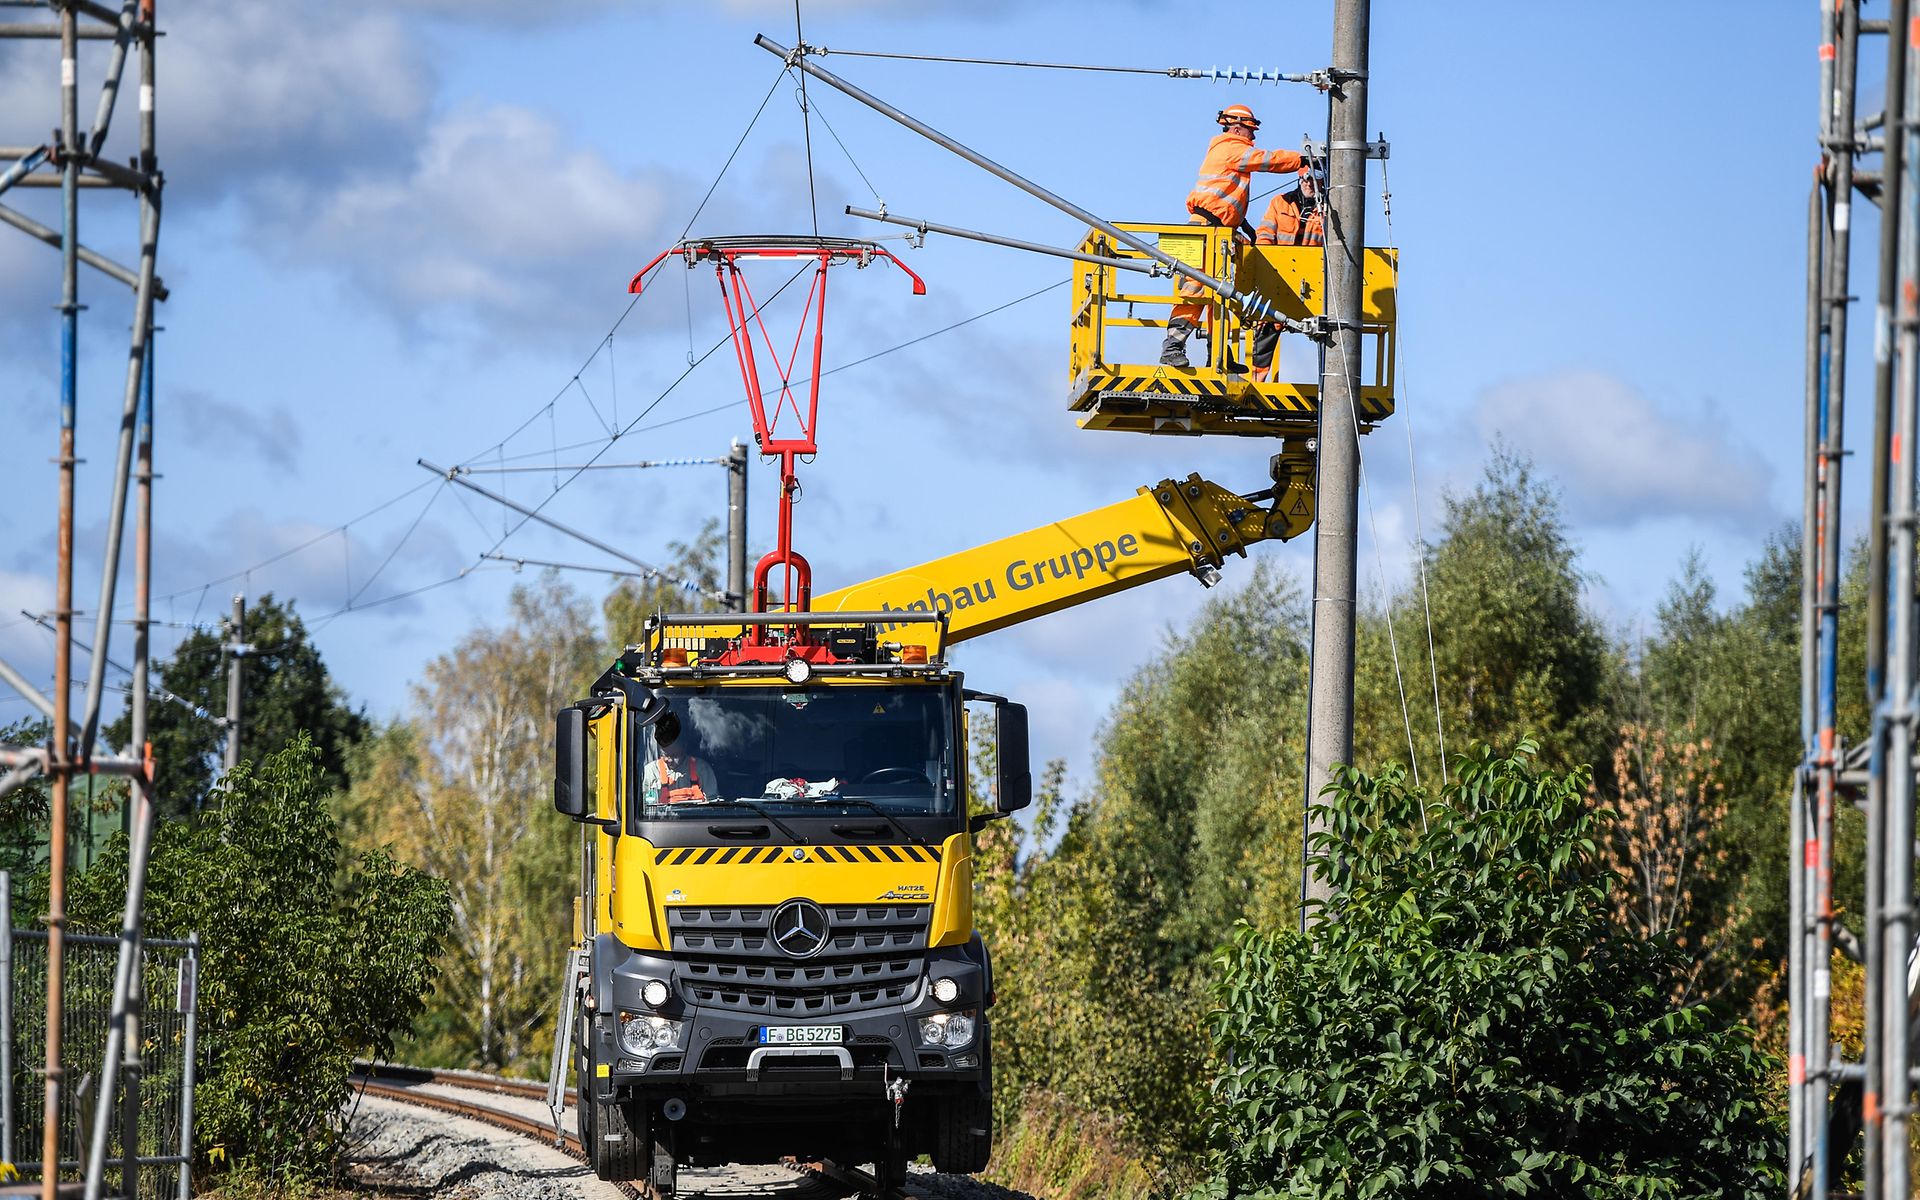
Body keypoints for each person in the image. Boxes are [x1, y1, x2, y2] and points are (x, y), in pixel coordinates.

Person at [1162, 104, 1309, 369]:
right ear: (1238, 126)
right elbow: (1268, 160)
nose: (1253, 137)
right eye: (1251, 131)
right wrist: (1302, 160)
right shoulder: (1230, 148)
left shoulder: (1228, 151)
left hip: (1217, 232)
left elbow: (1225, 200)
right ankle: (1172, 347)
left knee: (1219, 293)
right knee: (1194, 291)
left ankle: (1219, 355)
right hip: (1205, 231)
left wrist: (1245, 227)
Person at [1250, 164, 1326, 382]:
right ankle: (1257, 381)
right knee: (1266, 326)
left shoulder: (1329, 210)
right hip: (1278, 277)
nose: (1308, 183)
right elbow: (1264, 235)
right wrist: (1267, 265)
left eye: (1313, 179)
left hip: (1312, 282)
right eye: (1305, 178)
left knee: (1325, 329)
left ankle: (1329, 385)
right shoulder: (1280, 203)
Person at [642, 711, 717, 805]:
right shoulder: (651, 772)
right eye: (665, 755)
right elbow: (644, 807)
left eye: (675, 755)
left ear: (684, 748)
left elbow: (712, 806)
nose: (670, 760)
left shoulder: (702, 769)